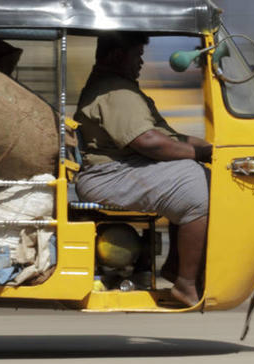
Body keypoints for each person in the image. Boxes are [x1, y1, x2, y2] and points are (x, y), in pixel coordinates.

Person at [74, 31, 212, 306]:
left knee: (195, 172)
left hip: (123, 168)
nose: (140, 63)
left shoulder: (123, 88)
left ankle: (176, 267)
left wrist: (216, 150)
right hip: (108, 176)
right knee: (198, 187)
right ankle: (185, 283)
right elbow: (150, 143)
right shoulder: (115, 91)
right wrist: (200, 153)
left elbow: (170, 138)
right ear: (116, 56)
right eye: (137, 56)